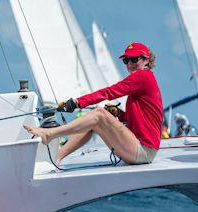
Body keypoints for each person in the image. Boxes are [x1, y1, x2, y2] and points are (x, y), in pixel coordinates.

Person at [24, 42, 163, 165]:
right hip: (137, 149)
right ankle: (57, 158)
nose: (129, 64)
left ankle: (50, 134)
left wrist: (77, 103)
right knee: (94, 120)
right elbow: (135, 121)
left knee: (99, 114)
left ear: (146, 60)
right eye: (126, 60)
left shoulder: (143, 76)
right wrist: (119, 114)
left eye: (133, 59)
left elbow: (109, 92)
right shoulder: (144, 80)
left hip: (143, 151)